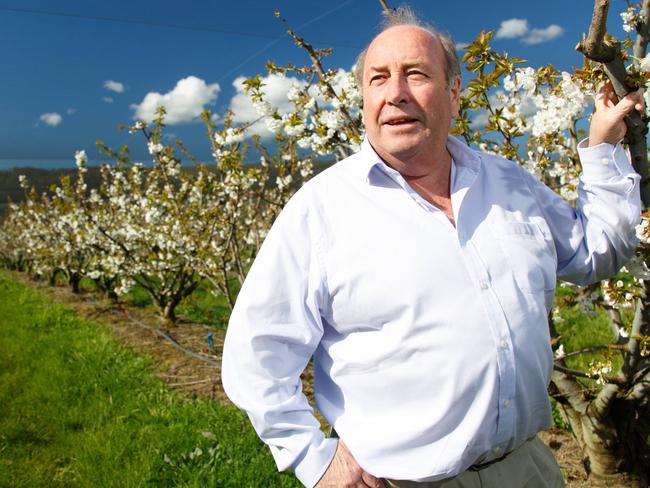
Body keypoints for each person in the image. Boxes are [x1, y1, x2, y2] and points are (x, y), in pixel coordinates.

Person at [222, 7, 643, 488]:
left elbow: (595, 254)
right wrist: (312, 458)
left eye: (415, 74)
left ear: (454, 94)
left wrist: (603, 147)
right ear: (364, 100)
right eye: (378, 79)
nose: (395, 92)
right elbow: (255, 354)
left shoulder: (508, 183)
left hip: (528, 468)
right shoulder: (320, 211)